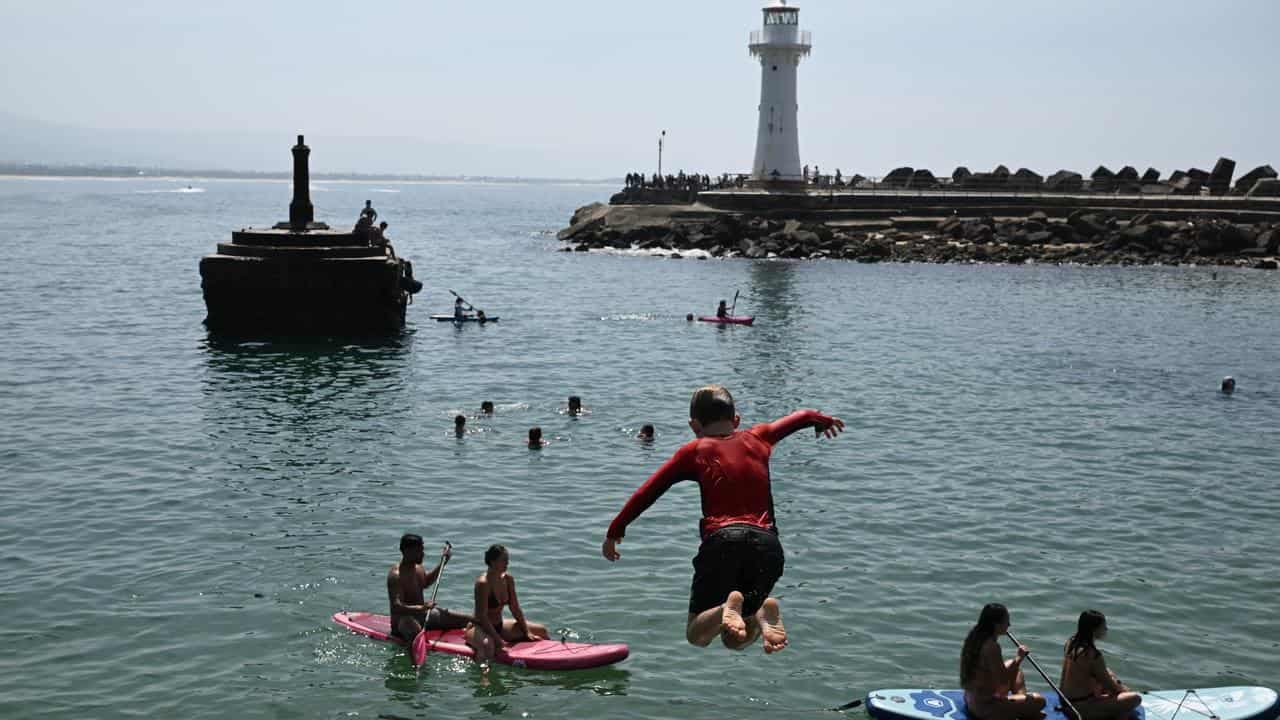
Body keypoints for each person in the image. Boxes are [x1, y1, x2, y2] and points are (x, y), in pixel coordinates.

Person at [601, 385, 843, 654]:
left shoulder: (694, 450)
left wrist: (615, 530)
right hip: (767, 545)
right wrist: (822, 421)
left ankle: (728, 609)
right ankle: (760, 613)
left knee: (697, 634)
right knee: (734, 639)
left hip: (723, 541)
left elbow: (648, 491)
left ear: (694, 425)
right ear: (736, 420)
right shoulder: (759, 438)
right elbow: (801, 416)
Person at [960, 603, 1046, 720]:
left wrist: (1015, 664)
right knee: (1039, 700)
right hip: (985, 708)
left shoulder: (974, 636)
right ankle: (1024, 711)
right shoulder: (992, 646)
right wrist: (1019, 658)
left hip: (970, 698)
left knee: (1015, 668)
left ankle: (1022, 706)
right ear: (996, 624)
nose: (1009, 625)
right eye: (1006, 621)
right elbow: (1002, 683)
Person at [464, 544, 549, 663]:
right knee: (488, 645)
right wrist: (497, 638)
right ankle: (484, 679)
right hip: (480, 628)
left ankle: (547, 659)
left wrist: (526, 631)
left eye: (507, 560)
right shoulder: (483, 584)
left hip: (500, 626)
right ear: (493, 562)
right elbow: (482, 616)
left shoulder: (508, 579)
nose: (507, 563)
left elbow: (515, 608)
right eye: (504, 560)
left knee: (542, 630)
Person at [387, 534, 472, 642]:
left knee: (468, 619)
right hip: (403, 621)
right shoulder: (396, 576)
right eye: (419, 551)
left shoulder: (418, 568)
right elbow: (396, 607)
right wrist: (421, 608)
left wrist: (442, 562)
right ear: (407, 551)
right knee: (409, 624)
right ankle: (416, 648)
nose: (423, 554)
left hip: (423, 615)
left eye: (422, 550)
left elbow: (425, 583)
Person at [1059, 610, 1141, 720]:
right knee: (1134, 699)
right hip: (1079, 708)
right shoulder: (1093, 655)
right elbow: (1112, 688)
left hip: (1064, 700)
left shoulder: (1071, 643)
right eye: (1103, 627)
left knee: (1108, 672)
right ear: (1094, 630)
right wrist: (1125, 690)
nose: (1106, 629)